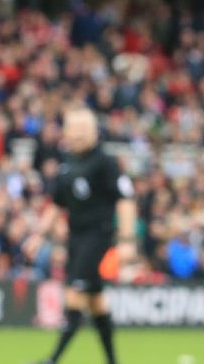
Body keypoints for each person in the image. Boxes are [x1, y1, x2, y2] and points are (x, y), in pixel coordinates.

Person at [33, 106, 137, 364]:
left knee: (75, 294)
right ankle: (113, 361)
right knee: (96, 302)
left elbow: (125, 201)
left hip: (97, 237)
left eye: (83, 129)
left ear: (93, 132)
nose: (77, 134)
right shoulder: (66, 165)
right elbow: (57, 205)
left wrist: (126, 240)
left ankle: (53, 359)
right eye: (73, 129)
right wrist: (38, 236)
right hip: (76, 239)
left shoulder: (105, 162)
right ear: (65, 132)